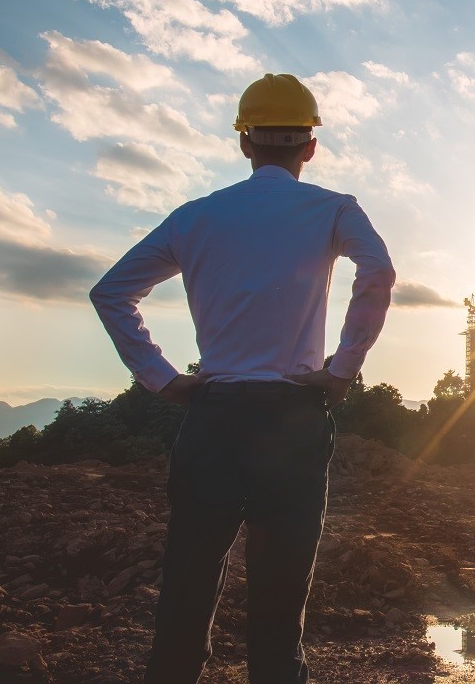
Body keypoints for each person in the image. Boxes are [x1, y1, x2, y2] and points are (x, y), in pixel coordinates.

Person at [90, 73, 395, 684]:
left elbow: (111, 292)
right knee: (281, 596)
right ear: (310, 146)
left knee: (189, 577)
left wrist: (163, 378)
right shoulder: (334, 209)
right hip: (292, 419)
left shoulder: (196, 217)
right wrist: (341, 370)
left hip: (214, 416)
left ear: (244, 142)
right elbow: (378, 273)